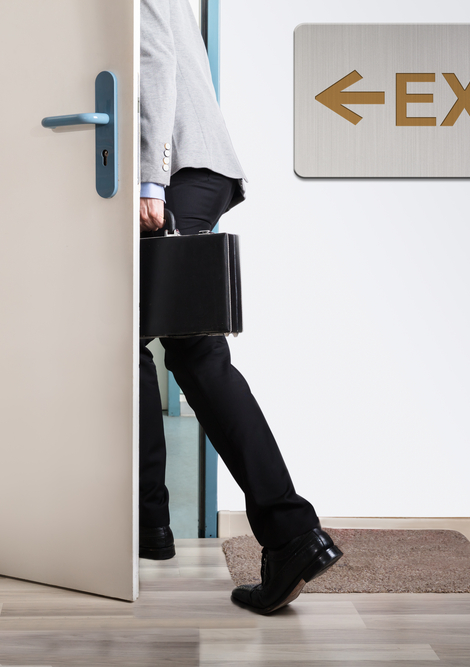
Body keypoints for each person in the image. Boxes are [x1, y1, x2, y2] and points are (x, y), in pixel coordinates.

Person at [137, 0, 342, 615]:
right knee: (193, 352)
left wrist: (148, 177)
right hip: (187, 169)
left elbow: (153, 54)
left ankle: (152, 524)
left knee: (149, 345)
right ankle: (287, 535)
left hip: (174, 169)